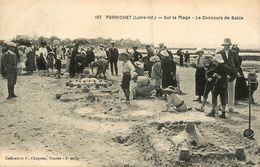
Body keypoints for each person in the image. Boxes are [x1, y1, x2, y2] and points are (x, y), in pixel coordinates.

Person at [206, 54, 234, 118]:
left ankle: (213, 111)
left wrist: (215, 76)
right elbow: (233, 72)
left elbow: (208, 72)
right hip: (224, 84)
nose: (214, 63)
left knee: (214, 97)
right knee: (223, 98)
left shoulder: (217, 67)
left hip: (218, 84)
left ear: (217, 61)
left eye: (215, 61)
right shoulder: (225, 66)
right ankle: (223, 113)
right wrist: (228, 77)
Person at [219, 38, 239, 113]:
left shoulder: (234, 53)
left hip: (232, 75)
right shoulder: (220, 53)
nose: (227, 46)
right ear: (223, 45)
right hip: (222, 75)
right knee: (221, 90)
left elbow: (237, 64)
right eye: (226, 45)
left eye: (228, 45)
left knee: (231, 90)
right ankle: (220, 106)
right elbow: (218, 64)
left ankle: (231, 107)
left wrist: (236, 72)